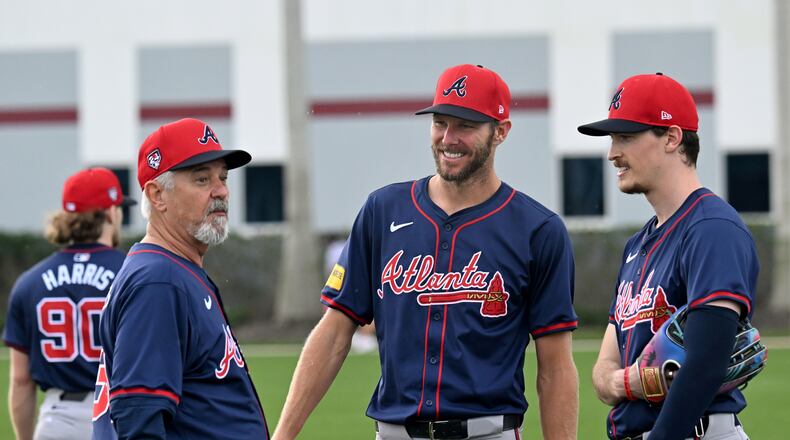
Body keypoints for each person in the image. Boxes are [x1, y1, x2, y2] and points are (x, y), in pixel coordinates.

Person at [273, 64, 579, 440]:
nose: (448, 138)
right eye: (440, 122)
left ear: (501, 131)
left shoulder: (538, 230)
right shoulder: (383, 211)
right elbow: (335, 332)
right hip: (394, 432)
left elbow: (555, 367)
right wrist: (283, 435)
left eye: (465, 125)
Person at [580, 73, 758, 439]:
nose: (613, 152)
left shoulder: (712, 229)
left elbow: (705, 366)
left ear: (672, 138)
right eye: (612, 138)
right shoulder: (636, 246)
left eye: (626, 136)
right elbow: (602, 373)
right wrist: (628, 382)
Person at [91, 118, 269, 439]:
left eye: (223, 177)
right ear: (157, 194)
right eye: (202, 179)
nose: (222, 191)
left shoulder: (175, 270)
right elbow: (139, 420)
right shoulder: (158, 281)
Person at [3, 167, 135, 440]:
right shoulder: (133, 272)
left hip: (57, 419)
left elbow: (20, 380)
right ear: (111, 213)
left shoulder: (29, 282)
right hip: (119, 415)